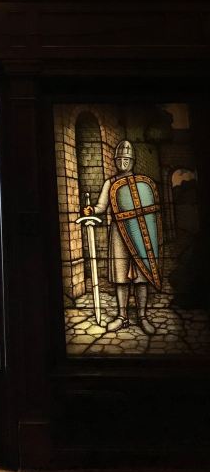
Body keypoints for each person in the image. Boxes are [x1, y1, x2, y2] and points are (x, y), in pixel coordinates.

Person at [83, 139, 162, 335]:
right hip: (118, 234)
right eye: (120, 159)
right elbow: (101, 207)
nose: (123, 163)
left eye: (127, 159)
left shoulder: (143, 184)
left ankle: (142, 317)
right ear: (115, 161)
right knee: (121, 278)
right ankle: (122, 316)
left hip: (140, 234)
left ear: (132, 161)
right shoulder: (110, 183)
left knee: (142, 277)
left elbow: (151, 214)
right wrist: (91, 209)